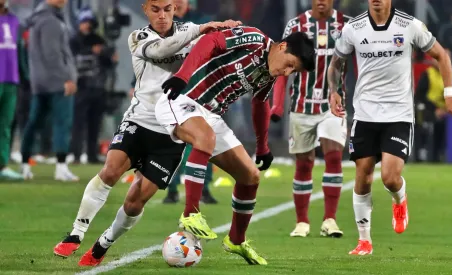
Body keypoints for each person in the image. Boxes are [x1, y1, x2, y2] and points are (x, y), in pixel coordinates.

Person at [78, 22, 315, 267]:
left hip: (210, 116)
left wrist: (263, 146)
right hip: (181, 99)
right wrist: (182, 75)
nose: (286, 73)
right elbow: (210, 41)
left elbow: (259, 105)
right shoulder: (254, 39)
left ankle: (236, 239)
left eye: (293, 71)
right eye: (289, 65)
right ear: (282, 46)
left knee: (251, 176)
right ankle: (191, 213)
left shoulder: (268, 73)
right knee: (204, 139)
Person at [53, 0, 239, 261]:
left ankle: (102, 245)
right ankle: (76, 232)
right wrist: (201, 31)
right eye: (155, 9)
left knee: (136, 200)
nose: (161, 15)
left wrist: (231, 31)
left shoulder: (193, 32)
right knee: (110, 170)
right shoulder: (139, 37)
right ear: (145, 10)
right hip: (139, 122)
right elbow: (163, 50)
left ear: (175, 9)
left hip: (173, 130)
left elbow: (220, 47)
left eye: (167, 9)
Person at [327, 0, 452, 255]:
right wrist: (334, 91)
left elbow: (441, 55)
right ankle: (364, 240)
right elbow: (336, 62)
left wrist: (449, 94)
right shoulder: (353, 28)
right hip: (365, 113)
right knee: (363, 174)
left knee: (389, 177)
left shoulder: (409, 25)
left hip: (398, 114)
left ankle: (400, 199)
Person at [271, 0, 350, 238]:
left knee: (334, 156)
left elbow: (359, 62)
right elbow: (283, 66)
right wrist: (276, 104)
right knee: (304, 164)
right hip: (301, 105)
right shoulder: (296, 25)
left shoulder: (346, 25)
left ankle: (330, 220)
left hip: (332, 105)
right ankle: (302, 222)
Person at [162, 0, 217, 204]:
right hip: (170, 90)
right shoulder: (164, 23)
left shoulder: (202, 23)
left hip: (200, 89)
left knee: (204, 138)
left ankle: (204, 188)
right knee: (173, 140)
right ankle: (172, 189)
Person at [21, 0, 78, 181]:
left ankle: (24, 164)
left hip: (39, 81)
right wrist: (67, 78)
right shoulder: (50, 20)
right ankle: (61, 167)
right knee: (62, 122)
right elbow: (53, 53)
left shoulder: (37, 18)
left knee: (34, 122)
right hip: (56, 81)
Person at [70, 7, 118, 164]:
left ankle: (91, 154)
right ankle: (76, 154)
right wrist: (92, 51)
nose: (87, 25)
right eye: (84, 22)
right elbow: (72, 59)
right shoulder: (73, 40)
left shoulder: (99, 39)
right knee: (78, 123)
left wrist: (108, 55)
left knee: (94, 123)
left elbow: (109, 63)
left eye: (89, 22)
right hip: (81, 87)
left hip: (98, 88)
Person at [0, 0, 25, 180]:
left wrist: (24, 75)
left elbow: (19, 51)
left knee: (5, 125)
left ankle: (2, 166)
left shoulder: (14, 20)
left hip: (10, 78)